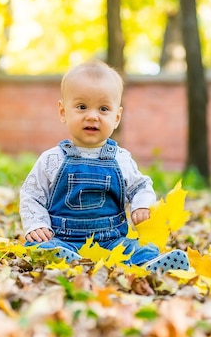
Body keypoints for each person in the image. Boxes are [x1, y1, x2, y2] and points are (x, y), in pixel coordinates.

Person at [19, 60, 189, 272]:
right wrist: (37, 225)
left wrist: (141, 204)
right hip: (63, 238)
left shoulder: (121, 158)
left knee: (141, 249)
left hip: (111, 241)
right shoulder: (52, 159)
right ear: (63, 112)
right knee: (41, 246)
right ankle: (66, 260)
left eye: (103, 108)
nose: (92, 115)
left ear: (116, 117)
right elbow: (31, 194)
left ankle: (150, 265)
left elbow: (140, 186)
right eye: (82, 107)